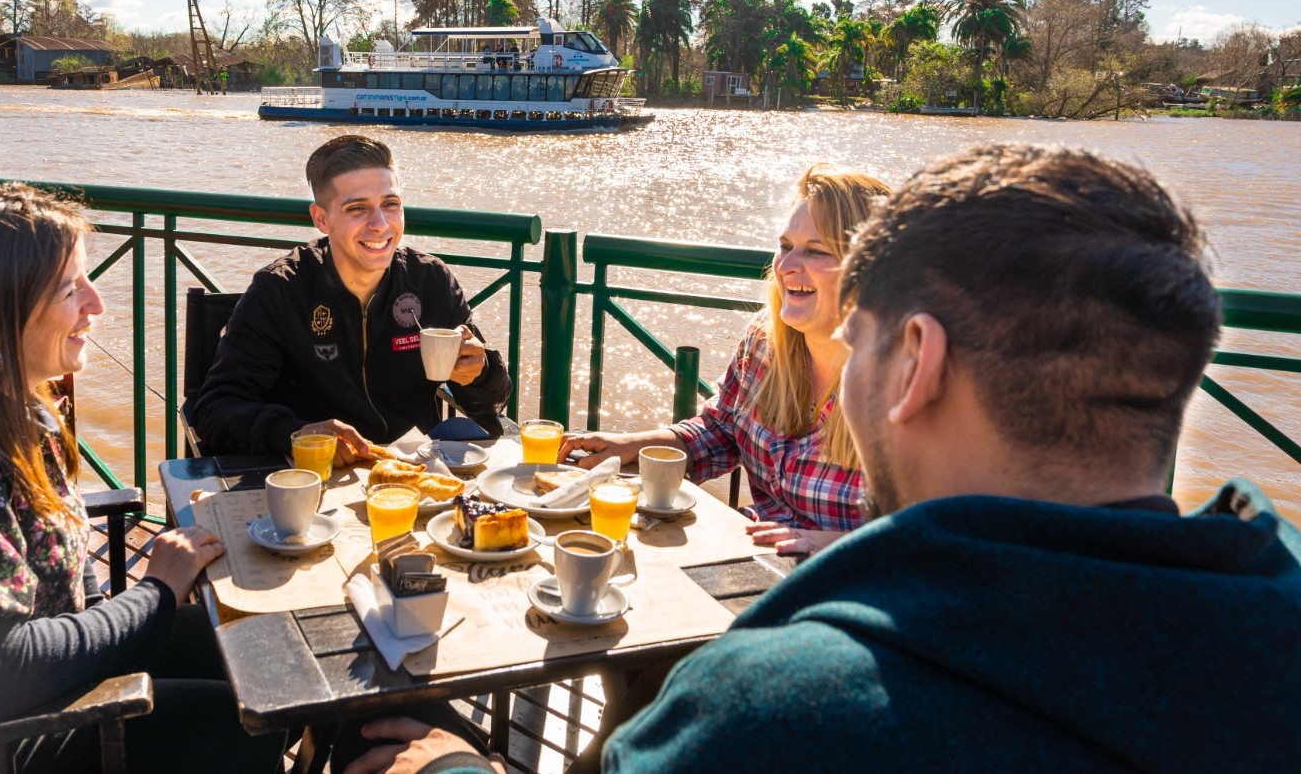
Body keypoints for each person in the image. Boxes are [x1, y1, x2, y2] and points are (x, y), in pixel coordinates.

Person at [349, 143, 1301, 772]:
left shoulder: (777, 716)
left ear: (914, 365)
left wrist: (453, 767)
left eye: (867, 331)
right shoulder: (1272, 625)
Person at [0, 183, 284, 772]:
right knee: (243, 722)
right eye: (71, 289)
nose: (95, 304)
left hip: (22, 694)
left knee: (263, 650)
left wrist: (134, 607)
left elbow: (64, 582)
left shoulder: (9, 404)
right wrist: (157, 591)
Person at [561, 166, 892, 556]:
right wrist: (633, 445)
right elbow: (721, 432)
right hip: (752, 558)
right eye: (785, 247)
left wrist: (836, 545)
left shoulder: (905, 383)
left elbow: (949, 536)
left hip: (858, 588)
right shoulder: (765, 344)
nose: (786, 267)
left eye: (816, 251)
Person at [188, 134, 512, 463]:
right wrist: (296, 435)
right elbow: (215, 410)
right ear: (321, 219)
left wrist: (480, 371)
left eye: (390, 204)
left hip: (413, 474)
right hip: (316, 478)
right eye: (357, 208)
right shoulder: (281, 290)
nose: (380, 225)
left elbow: (492, 400)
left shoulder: (430, 280)